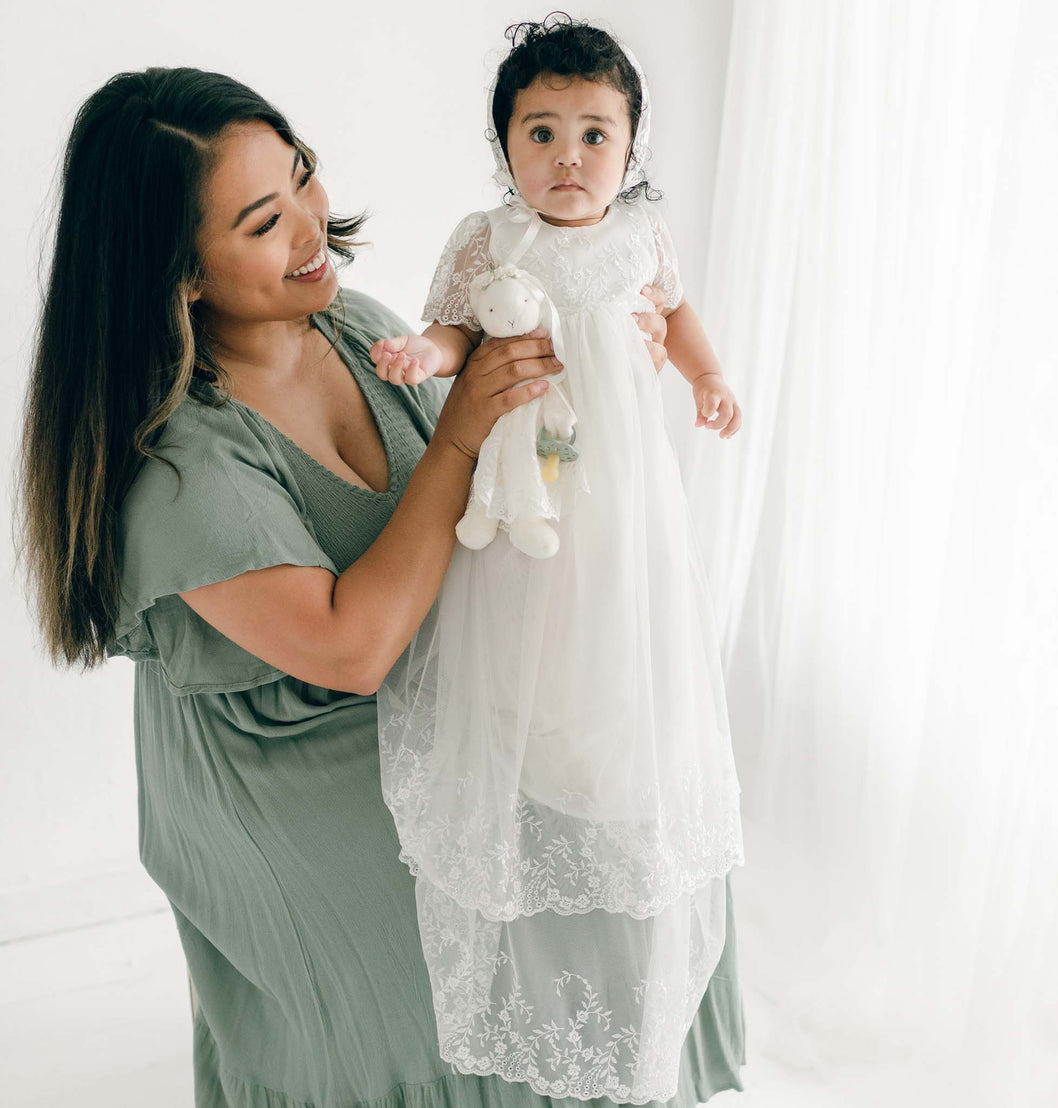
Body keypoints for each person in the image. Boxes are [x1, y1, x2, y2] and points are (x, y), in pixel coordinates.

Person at [14, 65, 746, 1108]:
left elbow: (502, 479)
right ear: (177, 274)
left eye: (302, 176)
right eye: (266, 220)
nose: (313, 224)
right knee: (521, 872)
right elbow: (353, 646)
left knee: (646, 794)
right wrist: (461, 430)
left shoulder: (351, 323)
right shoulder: (181, 470)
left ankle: (615, 1069)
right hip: (293, 747)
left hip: (424, 670)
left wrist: (586, 393)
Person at [369, 18, 745, 1103]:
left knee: (618, 612)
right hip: (516, 490)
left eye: (595, 133)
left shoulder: (643, 240)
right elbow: (452, 332)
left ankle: (613, 756)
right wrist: (421, 353)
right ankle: (531, 750)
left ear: (629, 151)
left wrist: (707, 378)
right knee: (519, 612)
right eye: (542, 133)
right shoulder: (490, 241)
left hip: (621, 495)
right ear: (506, 148)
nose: (569, 157)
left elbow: (674, 322)